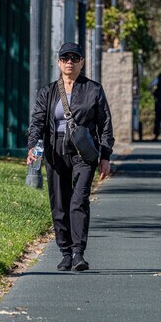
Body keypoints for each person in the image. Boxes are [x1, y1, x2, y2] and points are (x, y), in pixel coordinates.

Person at [26, 42, 114, 272]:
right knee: (59, 203)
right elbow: (37, 123)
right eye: (65, 58)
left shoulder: (93, 90)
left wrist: (105, 156)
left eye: (75, 58)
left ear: (82, 62)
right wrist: (34, 149)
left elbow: (105, 125)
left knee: (78, 200)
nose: (69, 62)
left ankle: (78, 252)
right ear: (58, 62)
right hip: (55, 152)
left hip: (84, 152)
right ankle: (65, 252)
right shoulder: (48, 92)